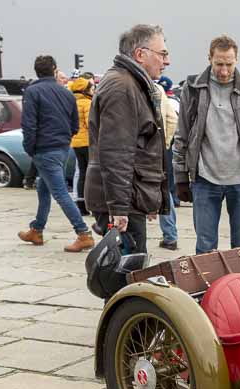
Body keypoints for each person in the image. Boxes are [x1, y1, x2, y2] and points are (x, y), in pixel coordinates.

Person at [174, 34, 240, 254]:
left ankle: (239, 289)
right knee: (204, 250)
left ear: (236, 60)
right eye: (219, 64)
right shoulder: (192, 90)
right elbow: (181, 135)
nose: (224, 71)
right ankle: (207, 290)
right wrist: (181, 177)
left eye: (229, 64)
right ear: (209, 58)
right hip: (204, 179)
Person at [85, 24, 171, 254]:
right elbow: (116, 153)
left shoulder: (131, 83)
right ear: (140, 54)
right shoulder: (123, 87)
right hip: (123, 201)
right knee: (126, 273)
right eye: (162, 53)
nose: (167, 61)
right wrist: (119, 208)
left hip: (129, 197)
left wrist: (148, 200)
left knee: (129, 269)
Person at [18, 55, 93, 252]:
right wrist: (65, 138)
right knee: (43, 186)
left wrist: (30, 148)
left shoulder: (33, 92)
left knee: (60, 193)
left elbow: (28, 124)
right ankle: (37, 229)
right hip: (62, 147)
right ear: (54, 70)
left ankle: (83, 233)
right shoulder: (66, 92)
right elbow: (74, 124)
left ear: (36, 71)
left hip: (44, 148)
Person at [156, 77, 179, 250]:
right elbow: (172, 119)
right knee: (164, 191)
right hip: (159, 148)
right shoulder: (159, 91)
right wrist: (165, 142)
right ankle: (170, 235)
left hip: (135, 150)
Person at [69, 77, 93, 215]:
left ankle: (81, 204)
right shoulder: (87, 103)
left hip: (76, 142)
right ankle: (92, 203)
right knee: (92, 174)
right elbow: (91, 124)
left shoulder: (73, 102)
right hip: (88, 142)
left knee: (83, 172)